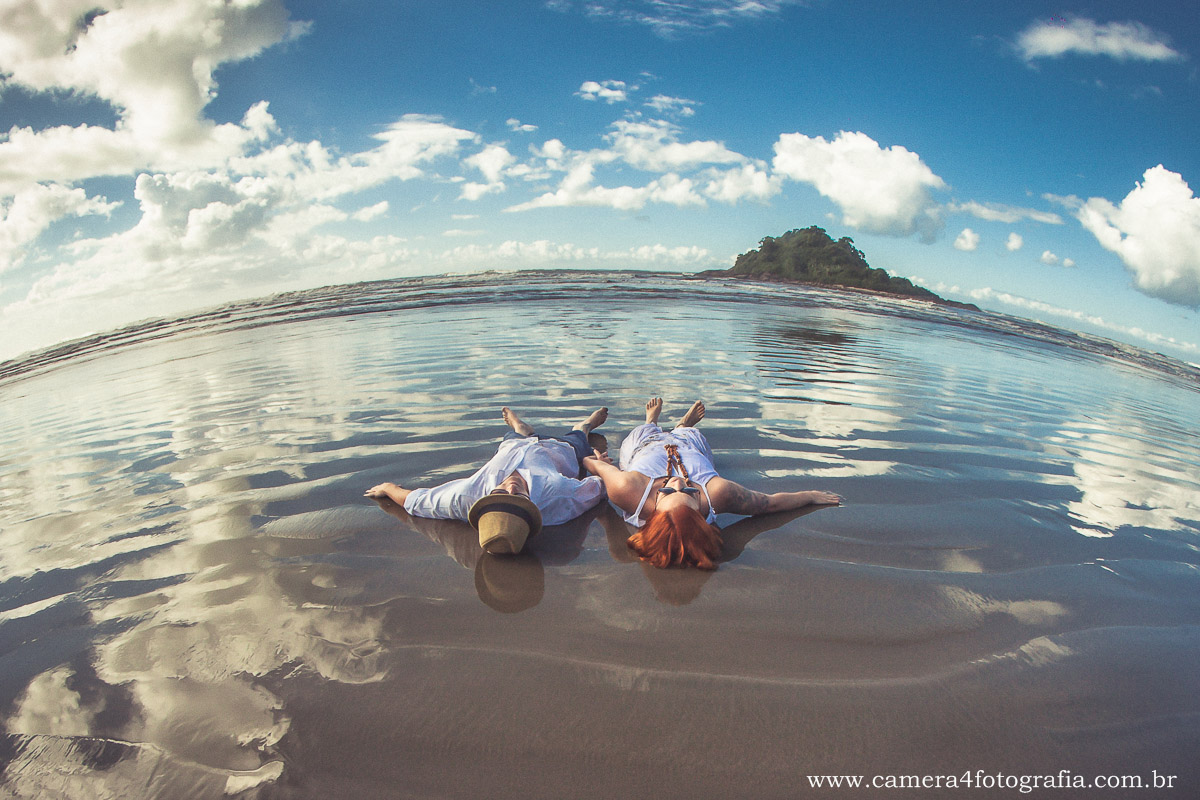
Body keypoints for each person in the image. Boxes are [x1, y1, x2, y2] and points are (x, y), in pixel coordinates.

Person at [582, 398, 841, 570]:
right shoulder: (718, 493)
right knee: (690, 435)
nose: (680, 482)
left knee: (640, 435)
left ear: (654, 510)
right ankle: (683, 425)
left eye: (668, 491)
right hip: (690, 447)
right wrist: (809, 496)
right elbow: (769, 504)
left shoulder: (628, 489)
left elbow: (591, 464)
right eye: (690, 492)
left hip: (644, 448)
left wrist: (600, 461)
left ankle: (651, 422)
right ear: (701, 508)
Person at [365, 406, 609, 555]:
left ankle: (519, 425)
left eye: (501, 493)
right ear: (530, 506)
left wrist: (389, 488)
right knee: (581, 433)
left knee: (519, 433)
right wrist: (599, 464)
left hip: (513, 444)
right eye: (519, 498)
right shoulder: (559, 496)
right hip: (563, 449)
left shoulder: (466, 495)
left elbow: (416, 501)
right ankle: (586, 423)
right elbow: (600, 487)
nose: (511, 487)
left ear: (487, 499)